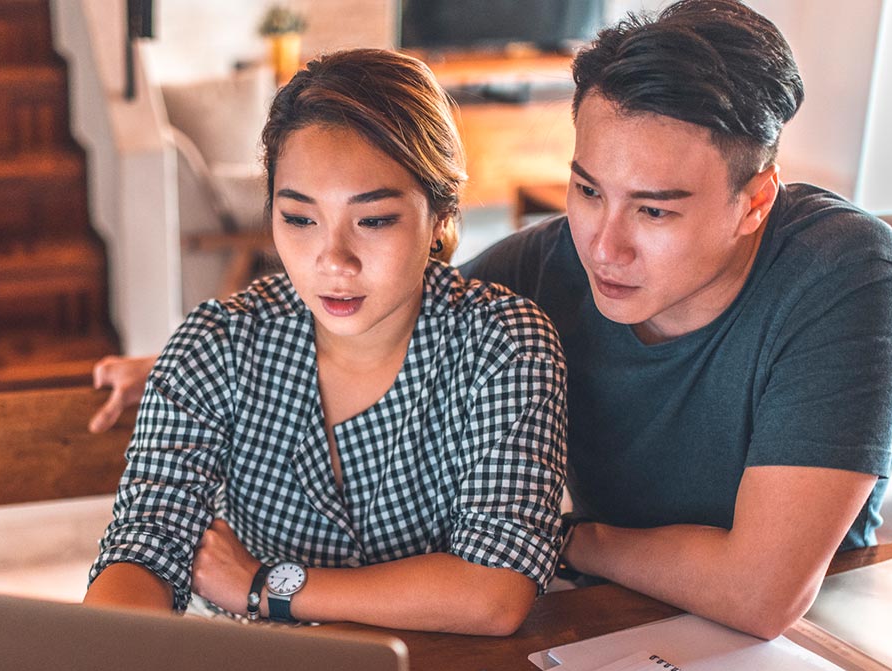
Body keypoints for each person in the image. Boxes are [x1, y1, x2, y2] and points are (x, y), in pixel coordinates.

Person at [88, 0, 892, 641]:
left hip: (798, 649)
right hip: (597, 629)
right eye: (587, 189)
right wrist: (176, 362)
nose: (604, 244)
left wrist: (559, 541)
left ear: (753, 203)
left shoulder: (841, 274)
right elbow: (377, 308)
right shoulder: (547, 267)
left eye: (655, 212)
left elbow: (761, 593)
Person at [82, 49, 567, 636]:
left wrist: (265, 587)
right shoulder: (216, 346)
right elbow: (146, 545)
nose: (332, 261)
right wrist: (103, 659)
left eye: (375, 219)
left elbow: (494, 591)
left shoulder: (504, 345)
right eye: (300, 219)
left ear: (440, 214)